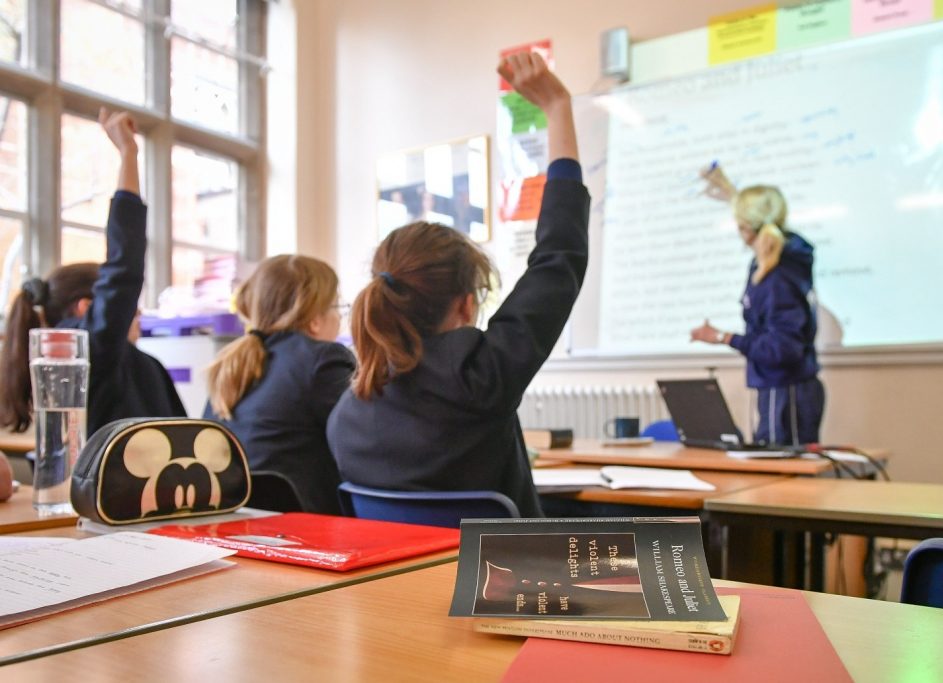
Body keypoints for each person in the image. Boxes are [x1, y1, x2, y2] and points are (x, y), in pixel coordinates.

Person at [327, 52, 589, 517]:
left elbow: (557, 259)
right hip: (506, 589)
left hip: (394, 592)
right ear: (466, 306)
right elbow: (559, 257)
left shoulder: (346, 414)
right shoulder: (482, 377)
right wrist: (557, 108)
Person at [0, 109, 186, 437]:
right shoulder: (84, 353)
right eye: (130, 306)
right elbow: (123, 266)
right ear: (86, 308)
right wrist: (129, 154)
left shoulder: (140, 365)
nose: (136, 312)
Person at [204, 255, 356, 515]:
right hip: (307, 526)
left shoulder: (231, 365)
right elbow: (358, 445)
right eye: (337, 308)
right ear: (315, 320)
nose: (339, 318)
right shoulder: (323, 359)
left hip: (238, 520)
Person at [690, 167, 824, 445]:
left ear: (746, 227)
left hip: (785, 392)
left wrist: (723, 337)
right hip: (780, 388)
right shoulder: (781, 260)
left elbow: (782, 349)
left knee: (782, 479)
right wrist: (728, 189)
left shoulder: (777, 276)